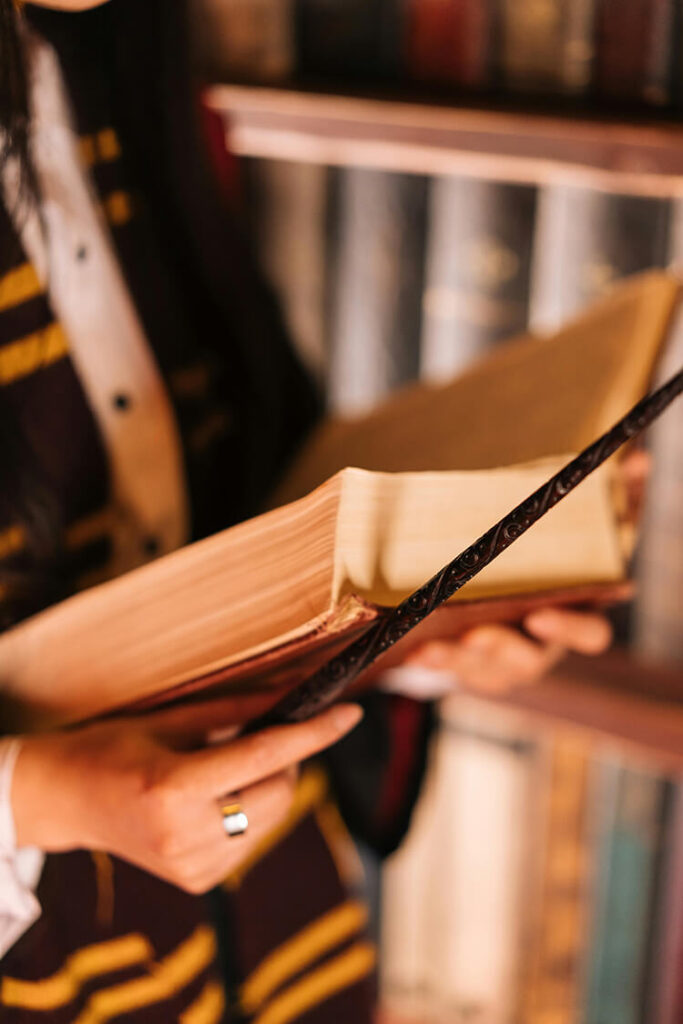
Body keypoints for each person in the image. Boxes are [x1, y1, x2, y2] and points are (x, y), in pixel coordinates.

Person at [0, 0, 616, 1020]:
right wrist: (36, 794)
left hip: (270, 916)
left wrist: (418, 639)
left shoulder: (101, 57)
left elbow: (232, 506)